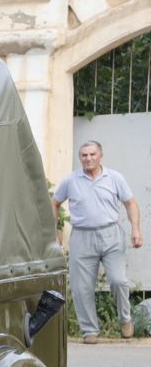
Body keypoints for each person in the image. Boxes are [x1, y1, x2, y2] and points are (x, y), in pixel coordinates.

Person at [53, 140, 142, 342]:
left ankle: (125, 319)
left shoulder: (114, 178)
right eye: (84, 155)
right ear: (80, 158)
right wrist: (54, 233)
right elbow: (55, 203)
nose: (88, 158)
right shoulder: (71, 180)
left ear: (100, 155)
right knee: (81, 287)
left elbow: (130, 202)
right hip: (82, 236)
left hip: (111, 234)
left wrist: (136, 229)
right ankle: (89, 330)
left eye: (92, 154)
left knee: (118, 280)